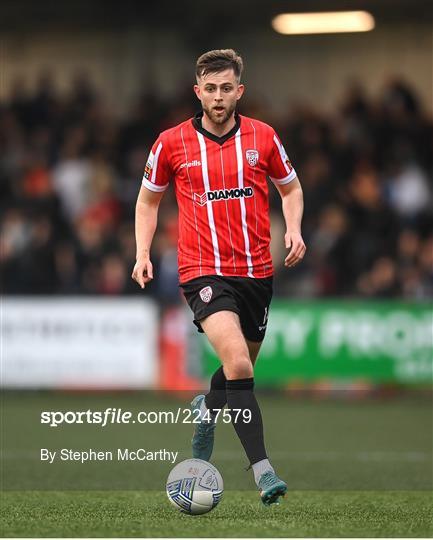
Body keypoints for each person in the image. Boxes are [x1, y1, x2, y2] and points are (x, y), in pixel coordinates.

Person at [132, 49, 306, 505]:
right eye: (210, 89)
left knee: (237, 369)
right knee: (241, 365)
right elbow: (148, 200)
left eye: (226, 88)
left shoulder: (263, 137)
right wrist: (143, 252)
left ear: (239, 91)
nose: (218, 96)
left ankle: (208, 408)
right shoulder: (170, 143)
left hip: (256, 272)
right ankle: (264, 471)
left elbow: (290, 188)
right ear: (198, 92)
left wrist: (295, 228)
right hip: (202, 271)